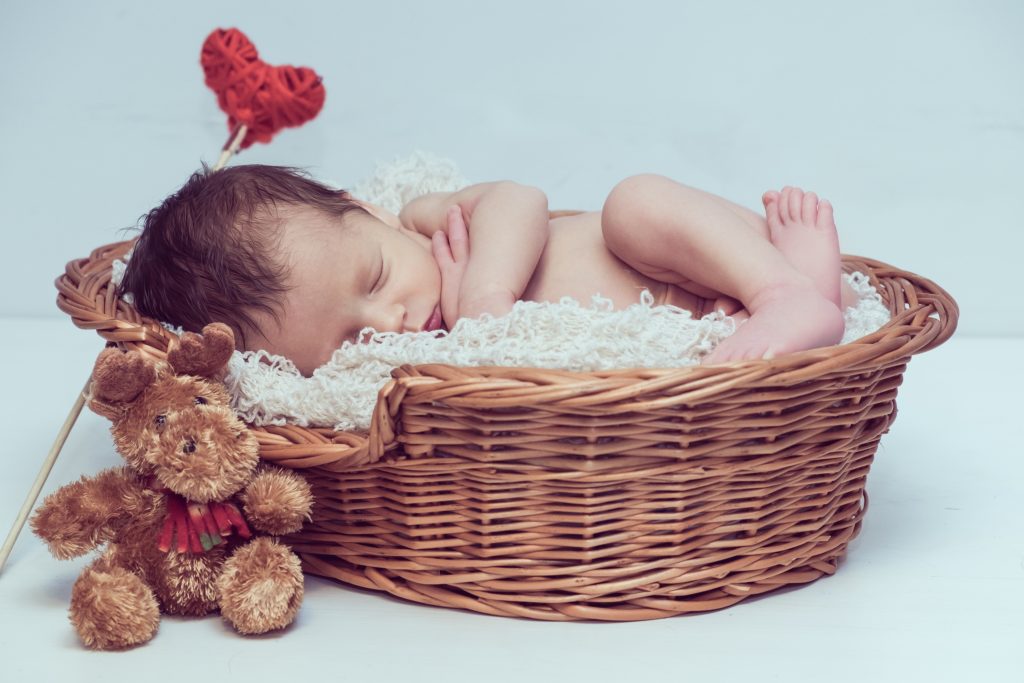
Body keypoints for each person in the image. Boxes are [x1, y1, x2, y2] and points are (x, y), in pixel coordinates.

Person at [120, 166, 859, 377]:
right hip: (705, 328)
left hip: (682, 261)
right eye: (349, 341)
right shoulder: (419, 370)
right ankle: (803, 300)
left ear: (368, 212)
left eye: (374, 280)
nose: (390, 321)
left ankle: (783, 285)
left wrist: (484, 292)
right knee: (724, 354)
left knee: (633, 202)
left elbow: (520, 198)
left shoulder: (425, 219)